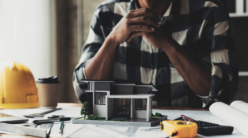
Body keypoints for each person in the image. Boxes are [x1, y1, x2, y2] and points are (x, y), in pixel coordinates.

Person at [73, 0, 238, 108]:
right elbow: (85, 94)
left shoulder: (210, 12)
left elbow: (222, 93)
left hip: (187, 130)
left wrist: (167, 44)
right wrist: (112, 41)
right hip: (120, 129)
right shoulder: (106, 14)